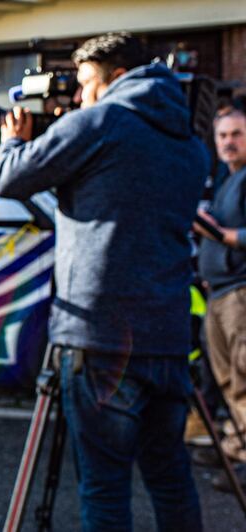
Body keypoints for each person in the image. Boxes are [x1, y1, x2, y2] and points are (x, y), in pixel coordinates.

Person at [0, 32, 206, 531]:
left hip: (100, 336)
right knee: (171, 477)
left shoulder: (103, 122)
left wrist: (15, 142)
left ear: (119, 77)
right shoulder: (189, 143)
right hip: (170, 337)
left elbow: (7, 179)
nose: (80, 96)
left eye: (86, 83)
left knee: (105, 487)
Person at [194, 107, 246, 490]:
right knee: (227, 379)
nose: (229, 142)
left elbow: (235, 234)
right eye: (223, 135)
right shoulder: (226, 180)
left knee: (243, 380)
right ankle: (234, 445)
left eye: (237, 134)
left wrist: (221, 234)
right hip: (220, 293)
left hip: (241, 295)